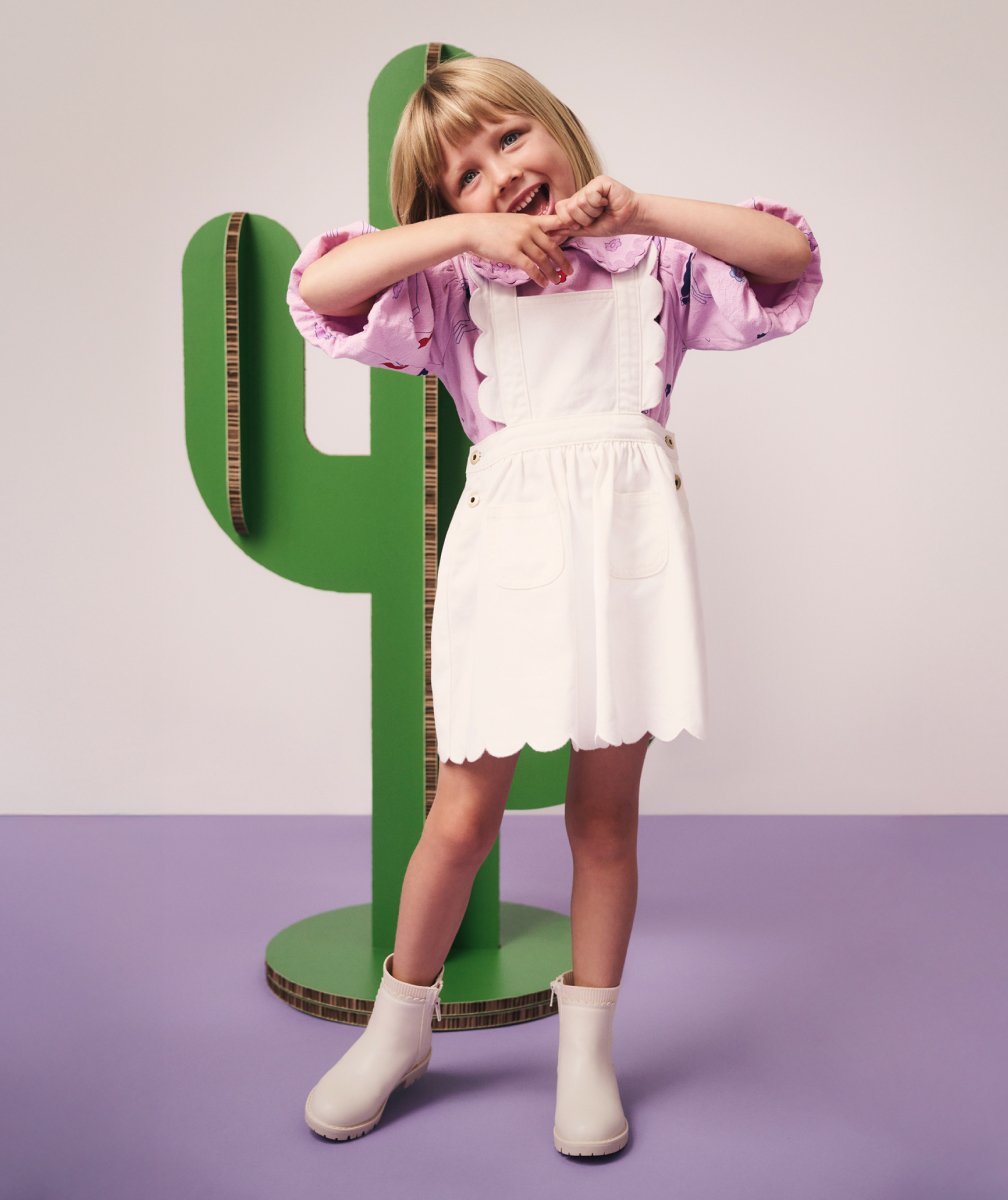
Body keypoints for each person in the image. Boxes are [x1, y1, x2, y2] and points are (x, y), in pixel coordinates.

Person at [286, 55, 823, 1156]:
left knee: (605, 819)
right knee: (462, 814)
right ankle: (399, 1028)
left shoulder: (658, 264)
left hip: (628, 558)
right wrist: (463, 235)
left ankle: (588, 1051)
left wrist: (643, 206)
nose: (500, 174)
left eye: (510, 138)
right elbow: (325, 290)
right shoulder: (453, 288)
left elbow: (788, 259)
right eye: (464, 175)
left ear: (557, 127)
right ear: (444, 208)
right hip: (509, 557)